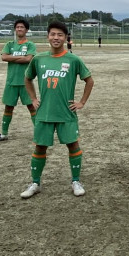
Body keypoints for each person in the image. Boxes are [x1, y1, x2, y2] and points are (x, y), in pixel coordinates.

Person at [21, 21, 95, 199]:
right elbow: (27, 79)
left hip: (66, 112)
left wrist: (81, 102)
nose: (56, 38)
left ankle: (76, 181)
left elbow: (89, 80)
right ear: (48, 36)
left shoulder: (73, 59)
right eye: (53, 34)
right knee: (40, 147)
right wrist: (33, 99)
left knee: (73, 145)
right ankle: (35, 183)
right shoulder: (39, 59)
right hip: (44, 113)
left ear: (65, 38)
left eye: (60, 35)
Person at [0, 20, 36, 142]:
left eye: (22, 27)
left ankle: (39, 133)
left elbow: (28, 59)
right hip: (11, 82)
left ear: (26, 30)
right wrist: (21, 57)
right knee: (8, 108)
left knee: (32, 107)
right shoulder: (9, 44)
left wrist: (12, 58)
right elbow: (4, 57)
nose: (19, 29)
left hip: (26, 83)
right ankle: (4, 134)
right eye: (17, 27)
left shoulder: (30, 45)